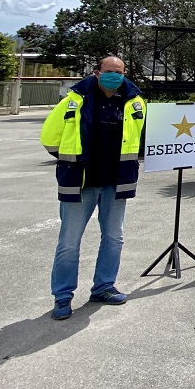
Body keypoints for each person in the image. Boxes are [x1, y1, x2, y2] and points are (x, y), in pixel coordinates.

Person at [40, 56, 146, 321]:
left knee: (113, 238)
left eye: (119, 72)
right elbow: (49, 139)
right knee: (69, 242)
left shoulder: (135, 102)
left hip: (116, 181)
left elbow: (139, 138)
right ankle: (63, 296)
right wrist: (71, 163)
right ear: (97, 73)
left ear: (125, 73)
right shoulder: (75, 101)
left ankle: (104, 287)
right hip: (80, 183)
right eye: (109, 71)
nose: (114, 75)